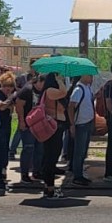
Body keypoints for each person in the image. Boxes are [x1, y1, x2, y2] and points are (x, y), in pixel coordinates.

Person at [39, 72, 68, 200]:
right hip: (53, 127)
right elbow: (64, 92)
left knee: (51, 157)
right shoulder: (50, 90)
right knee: (50, 158)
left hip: (57, 126)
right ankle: (49, 188)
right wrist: (60, 80)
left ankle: (48, 187)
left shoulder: (52, 90)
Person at [15, 74, 44, 184]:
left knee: (39, 149)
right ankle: (24, 174)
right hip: (28, 124)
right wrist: (21, 121)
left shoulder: (43, 91)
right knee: (28, 148)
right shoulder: (27, 89)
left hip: (39, 125)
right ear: (39, 81)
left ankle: (37, 172)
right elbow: (19, 105)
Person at [0, 71, 17, 193]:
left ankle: (2, 172)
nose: (8, 88)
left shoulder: (10, 96)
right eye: (6, 85)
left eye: (11, 86)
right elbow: (0, 106)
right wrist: (10, 99)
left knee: (5, 149)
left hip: (6, 126)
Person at [68, 73, 95, 186]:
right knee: (79, 151)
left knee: (83, 151)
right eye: (89, 75)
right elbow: (71, 106)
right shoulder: (78, 90)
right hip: (81, 124)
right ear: (83, 76)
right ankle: (77, 176)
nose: (91, 78)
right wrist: (72, 124)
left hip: (88, 123)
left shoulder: (88, 88)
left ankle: (80, 173)